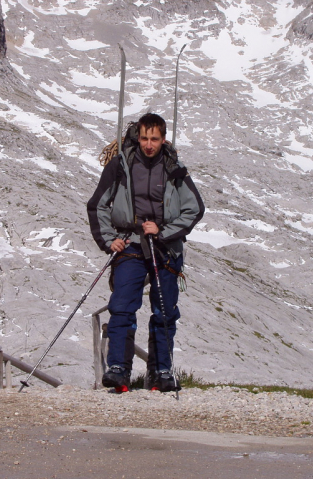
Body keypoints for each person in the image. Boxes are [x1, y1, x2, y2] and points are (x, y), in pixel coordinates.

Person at [87, 112, 205, 392]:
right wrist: (108, 240)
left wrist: (163, 231)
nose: (149, 144)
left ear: (163, 139)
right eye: (144, 138)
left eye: (154, 139)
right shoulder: (121, 164)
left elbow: (195, 209)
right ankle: (119, 370)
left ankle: (161, 372)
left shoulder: (175, 168)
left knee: (165, 311)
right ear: (137, 137)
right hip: (131, 243)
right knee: (122, 305)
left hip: (166, 248)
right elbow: (97, 205)